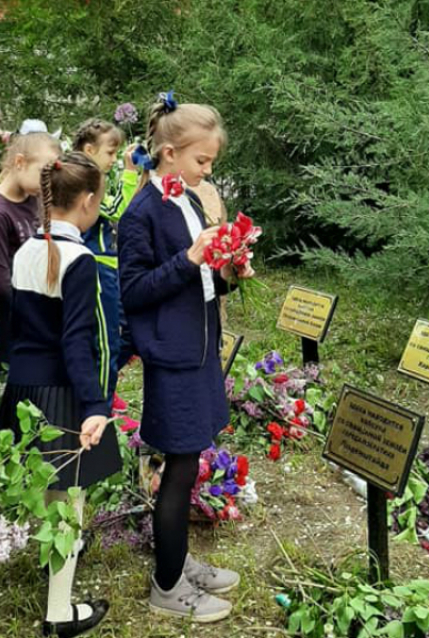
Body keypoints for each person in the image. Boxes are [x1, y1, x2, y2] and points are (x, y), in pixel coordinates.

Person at [119, 94, 254, 622]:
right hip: (171, 357)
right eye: (202, 161)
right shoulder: (140, 213)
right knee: (177, 469)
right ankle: (168, 587)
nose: (208, 170)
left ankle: (177, 558)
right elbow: (133, 291)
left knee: (193, 458)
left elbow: (202, 275)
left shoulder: (188, 199)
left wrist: (228, 272)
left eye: (212, 163)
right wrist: (190, 257)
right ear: (169, 153)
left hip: (199, 347)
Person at [0, 152, 120, 637]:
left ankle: (53, 576)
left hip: (23, 385)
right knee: (69, 503)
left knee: (46, 495)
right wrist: (94, 405)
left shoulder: (27, 248)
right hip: (61, 392)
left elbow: (10, 322)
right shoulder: (80, 259)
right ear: (88, 201)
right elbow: (76, 341)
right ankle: (59, 612)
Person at [0, 132, 60, 367]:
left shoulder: (34, 199)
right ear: (20, 162)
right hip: (18, 313)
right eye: (42, 173)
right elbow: (0, 278)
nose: (47, 183)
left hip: (43, 304)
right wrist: (34, 310)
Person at [72, 118, 138, 397]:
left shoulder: (88, 178)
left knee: (122, 335)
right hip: (98, 267)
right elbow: (116, 209)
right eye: (110, 153)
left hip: (108, 266)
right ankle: (101, 400)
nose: (114, 159)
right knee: (108, 340)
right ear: (89, 150)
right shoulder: (84, 180)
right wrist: (130, 174)